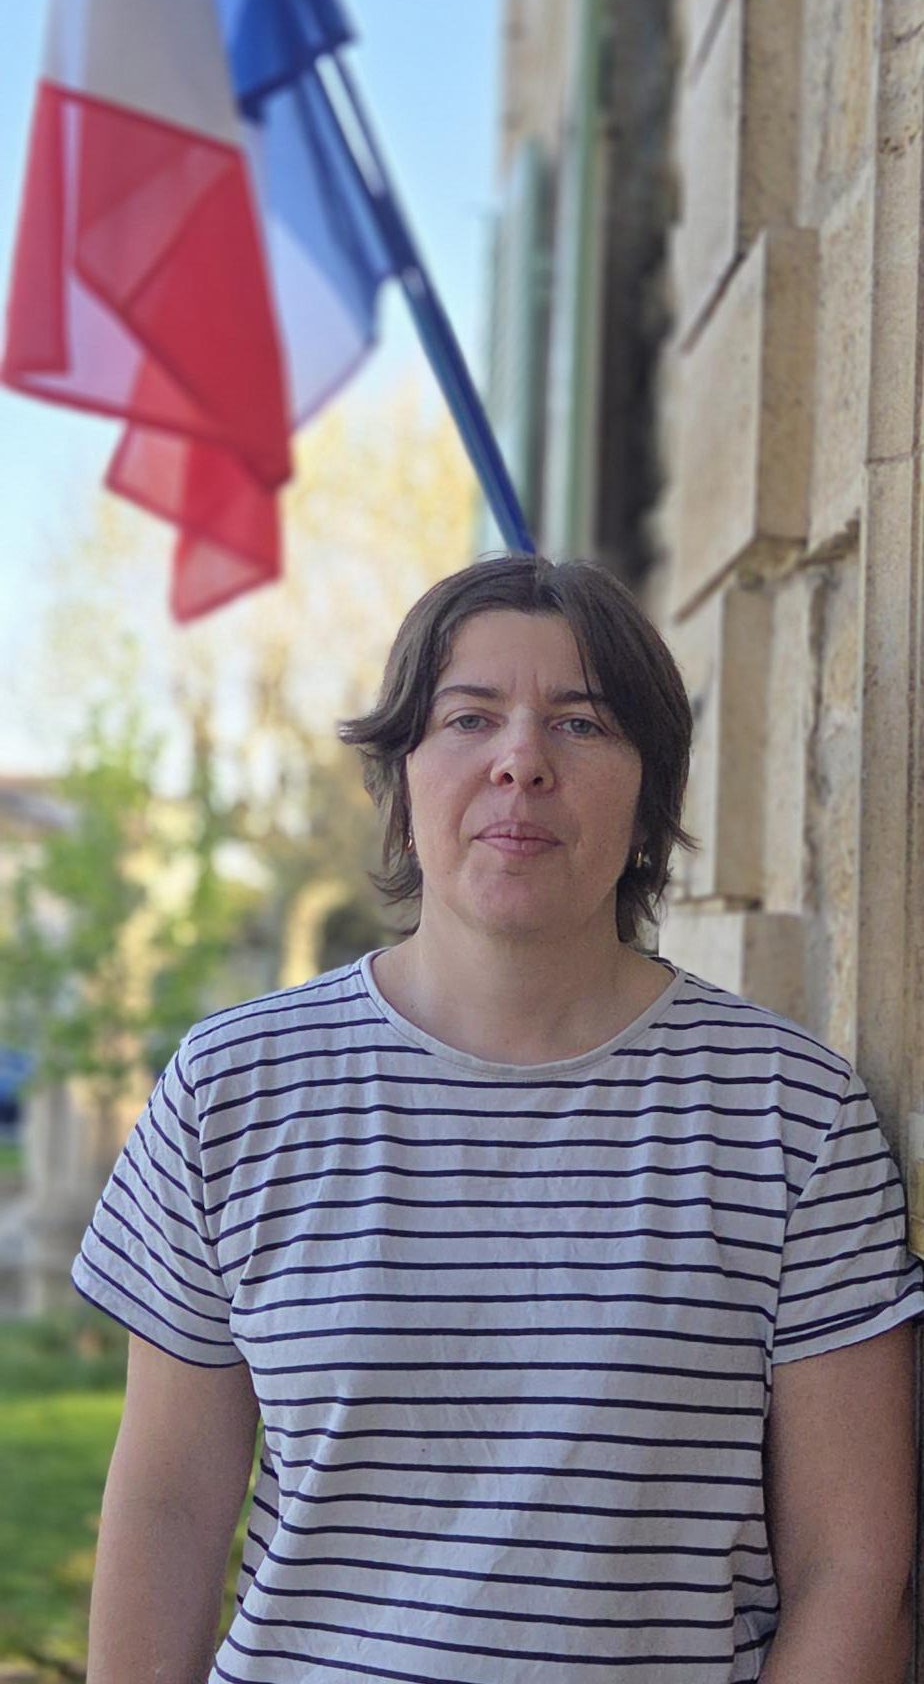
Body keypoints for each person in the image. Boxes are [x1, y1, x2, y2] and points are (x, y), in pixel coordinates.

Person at [75, 553, 923, 1684]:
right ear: (401, 783)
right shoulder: (231, 1089)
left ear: (650, 801)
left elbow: (852, 1567)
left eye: (581, 723)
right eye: (469, 717)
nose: (521, 760)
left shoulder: (794, 1115)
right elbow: (169, 1506)